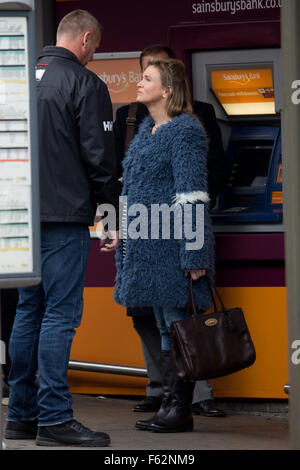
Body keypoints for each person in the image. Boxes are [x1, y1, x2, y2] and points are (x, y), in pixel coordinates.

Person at [5, 10, 120, 447]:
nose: (93, 55)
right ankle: (54, 418)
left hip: (19, 219)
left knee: (27, 311)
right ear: (86, 38)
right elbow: (99, 158)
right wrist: (107, 217)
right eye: (95, 47)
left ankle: (21, 416)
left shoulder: (15, 78)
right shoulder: (85, 84)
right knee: (60, 315)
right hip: (63, 217)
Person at [113, 44, 227, 418]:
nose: (139, 82)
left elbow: (192, 196)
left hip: (174, 249)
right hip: (148, 249)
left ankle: (180, 408)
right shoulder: (147, 129)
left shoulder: (185, 131)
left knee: (179, 327)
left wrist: (194, 254)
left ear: (166, 90)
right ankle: (169, 404)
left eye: (147, 78)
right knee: (164, 325)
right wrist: (121, 230)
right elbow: (132, 190)